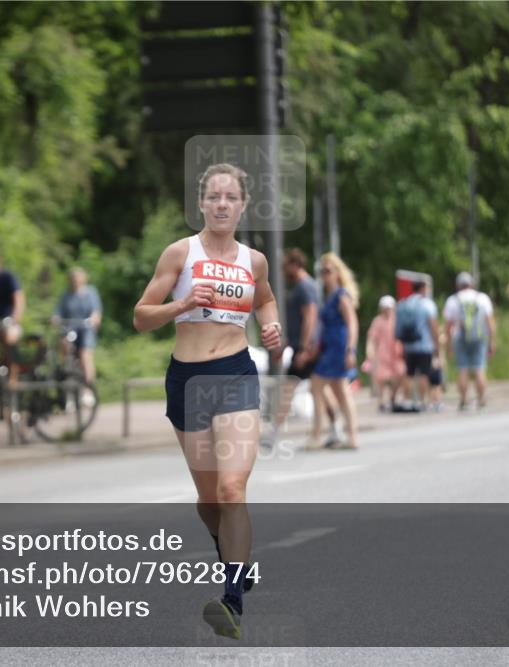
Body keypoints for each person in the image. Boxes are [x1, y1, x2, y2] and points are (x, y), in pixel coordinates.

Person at [133, 163, 282, 640]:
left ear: (242, 206)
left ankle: (232, 600)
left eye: (230, 197)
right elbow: (140, 317)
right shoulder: (181, 253)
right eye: (213, 196)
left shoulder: (253, 261)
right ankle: (235, 559)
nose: (221, 204)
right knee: (207, 500)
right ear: (201, 204)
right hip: (187, 379)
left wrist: (271, 325)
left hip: (235, 373)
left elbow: (265, 300)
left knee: (232, 489)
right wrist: (181, 303)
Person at [262, 248, 320, 449]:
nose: (283, 271)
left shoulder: (304, 287)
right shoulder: (303, 286)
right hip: (304, 347)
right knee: (321, 389)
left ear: (295, 265)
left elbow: (310, 316)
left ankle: (272, 433)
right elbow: (296, 323)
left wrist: (303, 349)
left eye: (285, 266)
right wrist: (284, 347)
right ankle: (331, 429)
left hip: (307, 349)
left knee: (288, 389)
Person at [310, 252, 361, 450]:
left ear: (337, 273)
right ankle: (350, 436)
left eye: (328, 271)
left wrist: (351, 350)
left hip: (339, 347)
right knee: (339, 391)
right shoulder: (329, 296)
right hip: (330, 347)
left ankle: (318, 434)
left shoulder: (341, 295)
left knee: (318, 385)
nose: (324, 275)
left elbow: (352, 323)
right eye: (322, 271)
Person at [443, 271, 496, 410]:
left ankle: (464, 400)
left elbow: (448, 326)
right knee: (480, 368)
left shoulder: (453, 300)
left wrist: (448, 346)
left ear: (458, 285)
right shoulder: (482, 298)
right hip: (479, 337)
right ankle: (482, 400)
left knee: (462, 369)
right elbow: (490, 323)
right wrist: (492, 341)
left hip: (460, 338)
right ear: (471, 284)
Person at [53, 267, 102, 386]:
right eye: (73, 279)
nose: (75, 281)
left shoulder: (90, 292)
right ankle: (67, 369)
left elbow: (96, 311)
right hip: (70, 329)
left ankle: (88, 386)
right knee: (64, 344)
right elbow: (58, 312)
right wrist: (55, 318)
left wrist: (94, 319)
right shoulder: (66, 295)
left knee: (85, 354)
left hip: (86, 329)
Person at [395, 280, 439, 408]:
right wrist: (436, 344)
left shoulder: (404, 303)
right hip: (424, 345)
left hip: (408, 345)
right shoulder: (427, 304)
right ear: (423, 288)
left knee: (409, 373)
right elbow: (433, 326)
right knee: (424, 373)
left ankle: (408, 400)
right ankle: (421, 400)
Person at [365, 295, 405, 412]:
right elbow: (372, 338)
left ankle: (393, 397)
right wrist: (370, 351)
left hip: (396, 352)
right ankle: (381, 402)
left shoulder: (397, 319)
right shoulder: (377, 321)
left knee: (400, 374)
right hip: (382, 353)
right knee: (382, 378)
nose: (387, 310)